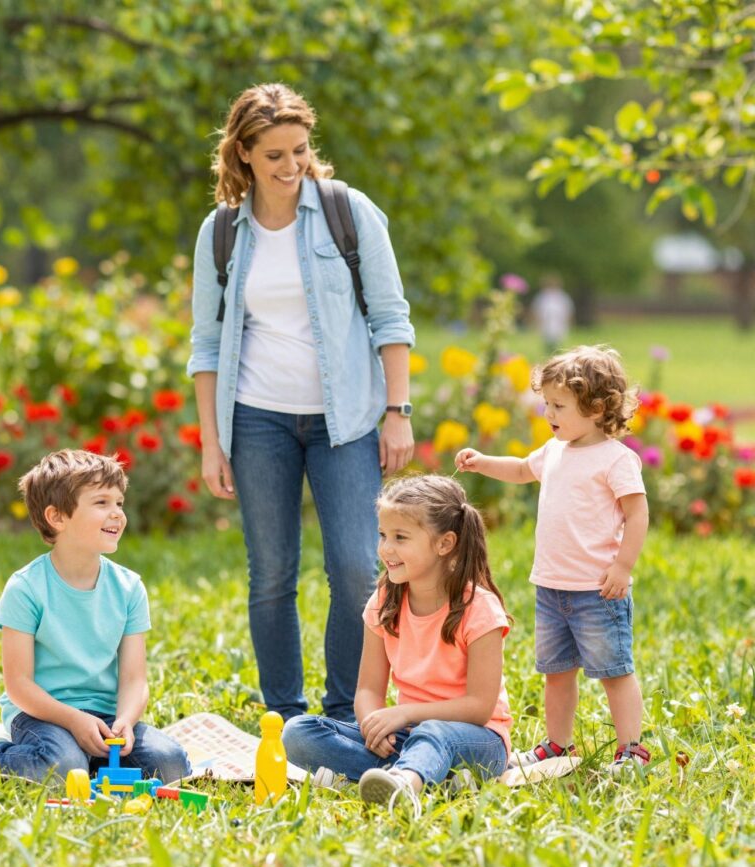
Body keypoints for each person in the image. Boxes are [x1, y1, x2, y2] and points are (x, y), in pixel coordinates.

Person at [188, 83, 416, 722]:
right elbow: (206, 345)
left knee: (355, 569)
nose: (291, 168)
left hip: (344, 421)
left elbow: (391, 317)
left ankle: (344, 711)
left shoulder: (348, 211)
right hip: (256, 419)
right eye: (274, 157)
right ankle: (285, 717)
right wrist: (214, 440)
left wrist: (397, 411)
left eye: (300, 150)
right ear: (243, 156)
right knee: (271, 575)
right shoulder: (222, 232)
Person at [0, 449, 190, 783]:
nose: (117, 513)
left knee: (169, 764)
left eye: (119, 502)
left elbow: (134, 680)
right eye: (102, 503)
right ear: (57, 517)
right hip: (40, 715)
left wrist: (126, 721)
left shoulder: (129, 588)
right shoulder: (25, 588)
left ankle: (92, 765)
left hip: (105, 717)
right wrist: (73, 720)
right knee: (63, 767)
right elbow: (19, 686)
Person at [455, 345, 649, 771]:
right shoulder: (555, 450)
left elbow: (637, 514)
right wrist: (482, 462)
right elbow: (523, 470)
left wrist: (623, 566)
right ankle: (557, 746)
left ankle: (631, 749)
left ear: (597, 408)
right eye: (547, 403)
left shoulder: (616, 460)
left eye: (559, 405)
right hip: (552, 587)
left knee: (614, 671)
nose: (549, 413)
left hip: (597, 591)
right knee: (557, 673)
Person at [281, 475, 513, 810]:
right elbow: (367, 691)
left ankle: (404, 783)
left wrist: (404, 714)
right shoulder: (384, 602)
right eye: (382, 535)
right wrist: (373, 724)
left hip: (477, 740)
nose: (385, 549)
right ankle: (425, 776)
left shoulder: (479, 609)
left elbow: (479, 707)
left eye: (400, 538)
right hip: (406, 735)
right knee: (298, 732)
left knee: (433, 733)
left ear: (444, 544)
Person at [531, 275, 574, 354]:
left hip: (559, 322)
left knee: (558, 342)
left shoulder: (563, 296)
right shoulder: (542, 296)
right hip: (546, 322)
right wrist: (537, 322)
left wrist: (568, 321)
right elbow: (537, 310)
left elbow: (568, 310)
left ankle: (557, 354)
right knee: (547, 341)